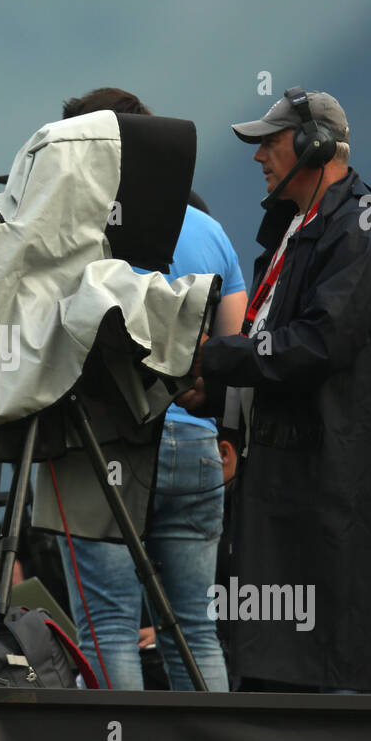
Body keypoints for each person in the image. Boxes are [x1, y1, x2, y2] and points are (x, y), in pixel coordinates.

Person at [180, 88, 371, 694]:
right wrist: (216, 396)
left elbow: (321, 343)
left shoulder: (365, 228)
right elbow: (275, 344)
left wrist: (214, 356)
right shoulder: (296, 229)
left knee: (309, 687)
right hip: (280, 495)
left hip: (323, 494)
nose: (259, 155)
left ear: (315, 145)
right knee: (266, 677)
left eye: (271, 140)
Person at [56, 87, 247, 691]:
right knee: (195, 629)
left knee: (108, 627)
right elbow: (232, 345)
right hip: (194, 445)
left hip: (103, 446)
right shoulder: (210, 230)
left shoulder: (77, 225)